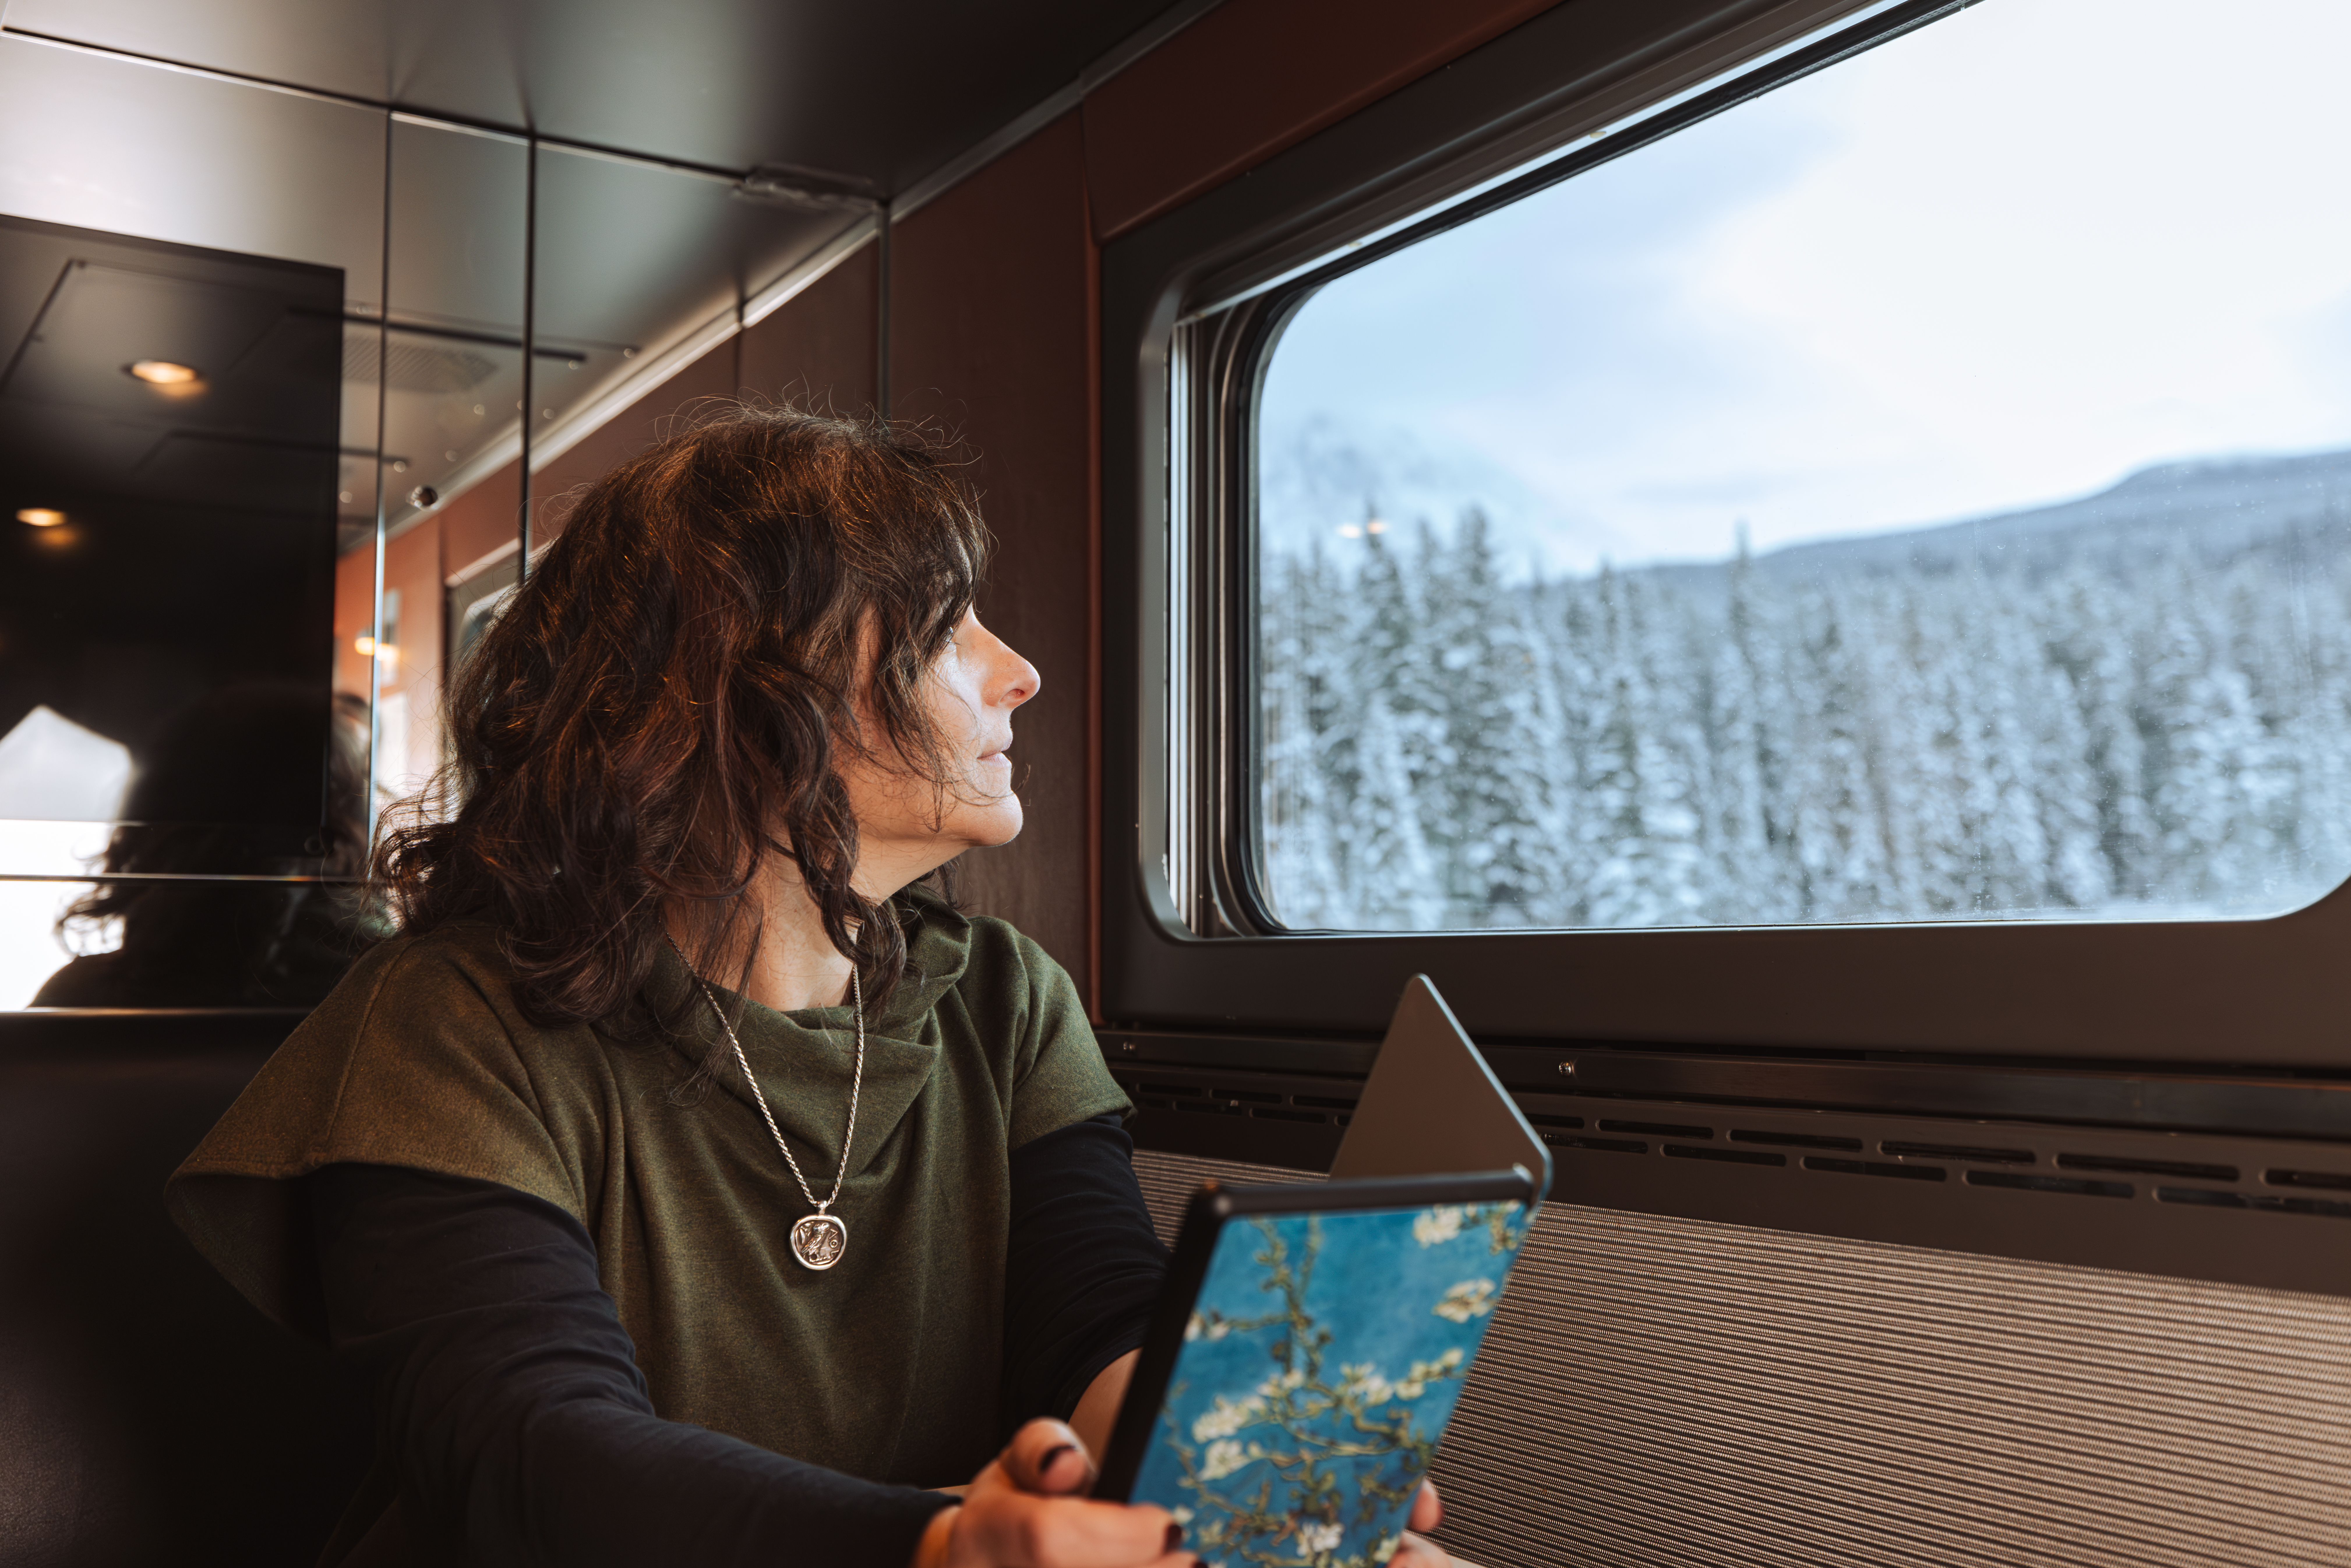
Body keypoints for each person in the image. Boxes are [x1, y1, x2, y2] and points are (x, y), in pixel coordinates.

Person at [164, 408, 1449, 1567]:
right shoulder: (449, 1018)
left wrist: (1243, 1481)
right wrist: (940, 1545)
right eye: (945, 627)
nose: (1020, 672)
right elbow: (528, 1449)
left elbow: (1098, 1317)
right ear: (748, 687)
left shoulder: (1006, 1000)